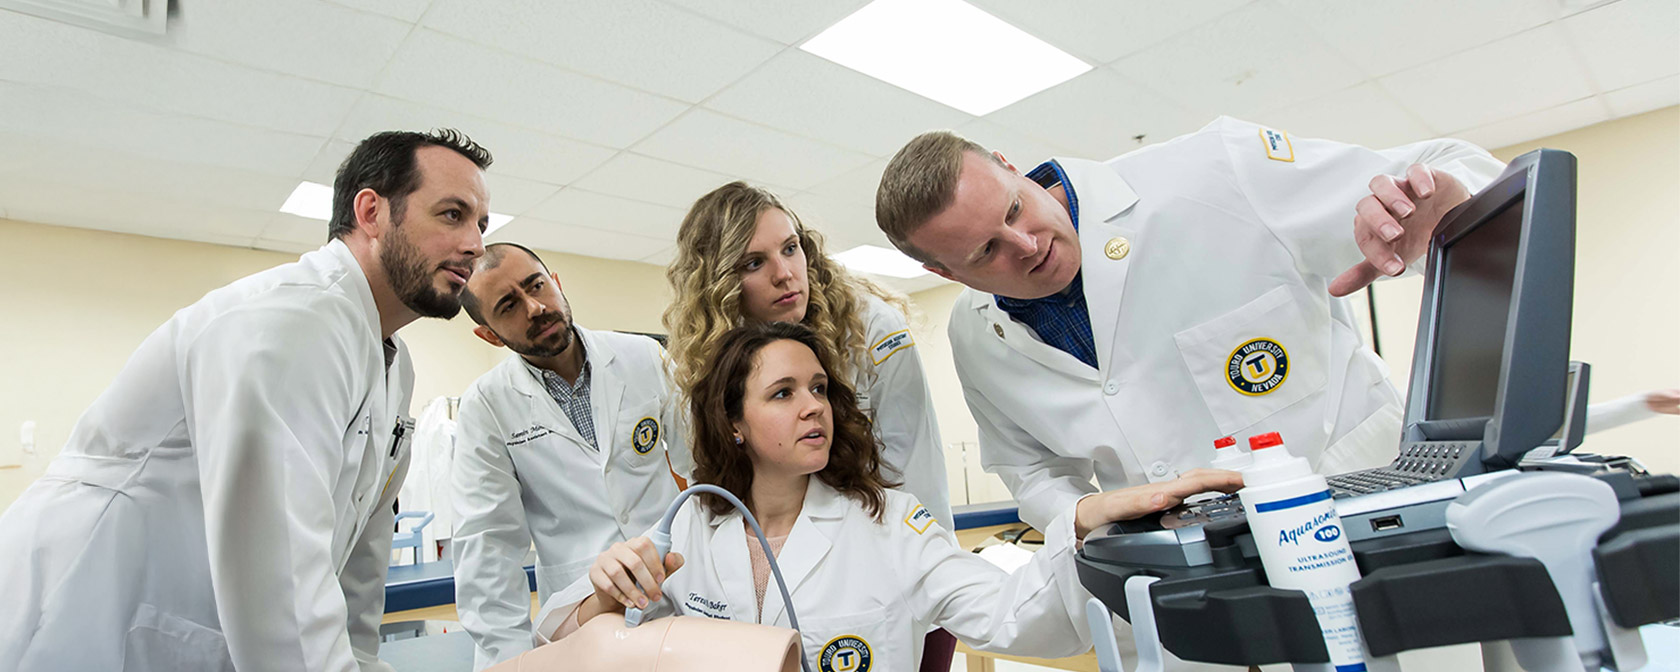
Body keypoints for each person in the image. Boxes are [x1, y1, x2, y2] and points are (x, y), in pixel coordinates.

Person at [0, 129, 493, 671]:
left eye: (481, 225)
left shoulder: (390, 363)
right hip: (78, 617)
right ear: (372, 212)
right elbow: (280, 573)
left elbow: (358, 561)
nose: (475, 245)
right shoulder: (288, 323)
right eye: (452, 214)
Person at [873, 118, 1507, 536]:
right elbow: (1028, 468)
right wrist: (1078, 511)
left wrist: (1445, 210)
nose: (1025, 242)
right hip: (1194, 582)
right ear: (943, 271)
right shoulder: (975, 334)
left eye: (1016, 207)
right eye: (986, 251)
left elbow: (1448, 163)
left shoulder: (1214, 172)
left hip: (1371, 513)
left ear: (1011, 166)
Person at [533, 321, 1243, 671]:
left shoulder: (892, 524)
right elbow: (566, 647)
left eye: (819, 389)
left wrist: (1081, 520)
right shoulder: (691, 531)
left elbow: (1021, 619)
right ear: (734, 424)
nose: (813, 406)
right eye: (783, 393)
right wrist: (602, 593)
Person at [452, 242, 688, 669]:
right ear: (488, 333)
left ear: (556, 283)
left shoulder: (642, 356)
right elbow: (488, 550)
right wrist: (511, 661)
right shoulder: (486, 407)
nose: (535, 307)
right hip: (580, 612)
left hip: (676, 586)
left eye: (536, 285)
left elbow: (705, 468)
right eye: (508, 305)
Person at [664, 182, 953, 528]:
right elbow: (707, 470)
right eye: (754, 263)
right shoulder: (706, 355)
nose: (784, 274)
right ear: (721, 283)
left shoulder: (871, 327)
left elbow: (916, 463)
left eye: (790, 248)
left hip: (875, 524)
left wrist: (929, 554)